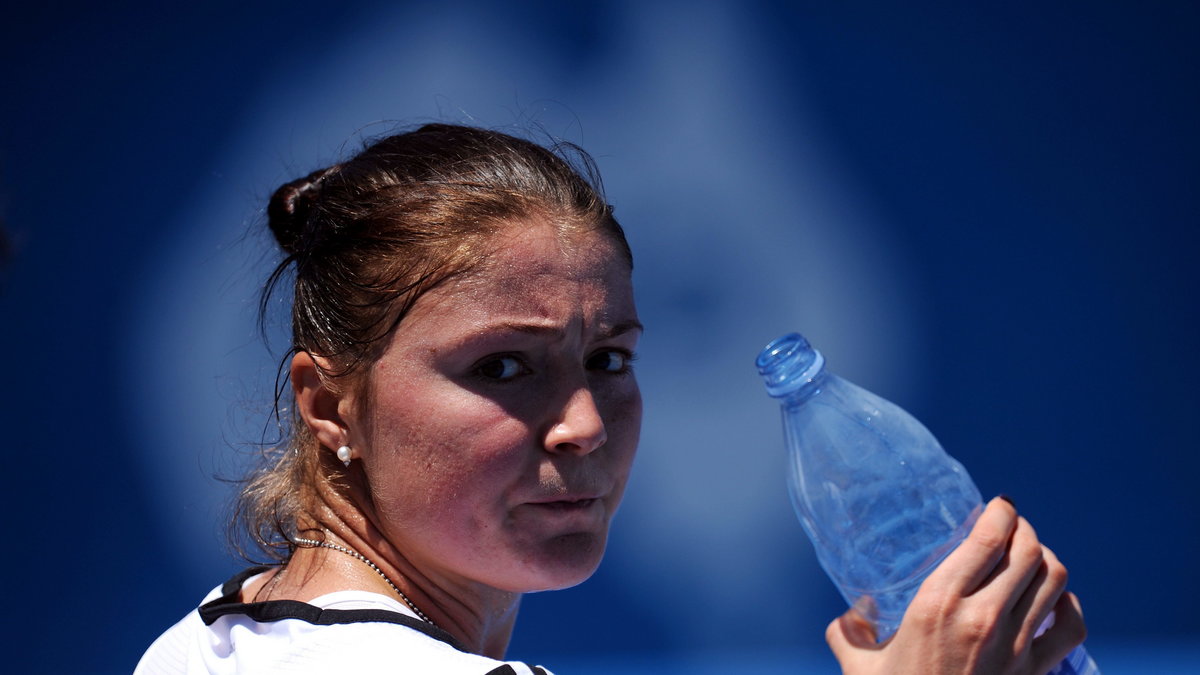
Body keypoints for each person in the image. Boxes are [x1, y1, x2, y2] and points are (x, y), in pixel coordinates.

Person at [135, 123, 1086, 674]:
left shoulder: (192, 649)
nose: (584, 423)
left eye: (610, 359)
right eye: (503, 366)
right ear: (329, 404)